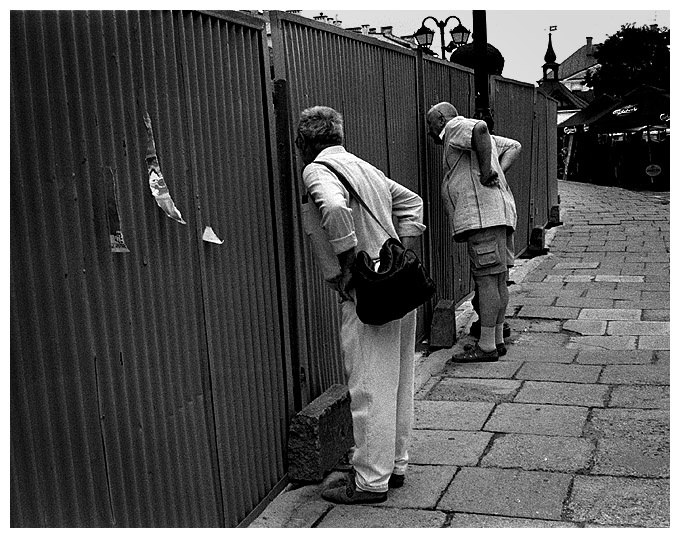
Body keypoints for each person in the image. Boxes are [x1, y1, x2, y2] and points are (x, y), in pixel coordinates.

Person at [295, 105, 426, 504]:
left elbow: (334, 208)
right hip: (399, 287)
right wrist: (397, 253)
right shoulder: (365, 168)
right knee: (399, 381)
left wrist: (351, 262)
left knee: (369, 386)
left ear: (304, 142)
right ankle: (395, 465)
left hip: (369, 293)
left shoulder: (316, 170)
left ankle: (370, 480)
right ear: (338, 136)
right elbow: (413, 203)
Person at [426, 102, 520, 362]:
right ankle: (496, 339)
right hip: (498, 215)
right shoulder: (479, 143)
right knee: (498, 280)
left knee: (487, 281)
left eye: (430, 124)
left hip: (482, 219)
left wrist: (488, 172)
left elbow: (480, 128)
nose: (430, 132)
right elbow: (514, 146)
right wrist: (494, 171)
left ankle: (487, 347)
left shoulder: (454, 126)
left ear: (440, 118)